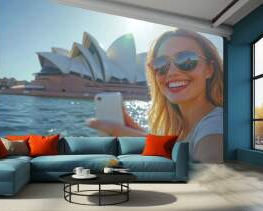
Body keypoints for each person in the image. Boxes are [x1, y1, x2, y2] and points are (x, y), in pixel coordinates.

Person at [87, 29, 223, 163]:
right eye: (161, 64)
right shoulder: (183, 127)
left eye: (186, 60)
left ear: (209, 69)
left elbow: (212, 171)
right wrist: (127, 131)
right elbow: (175, 151)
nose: (171, 72)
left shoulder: (214, 125)